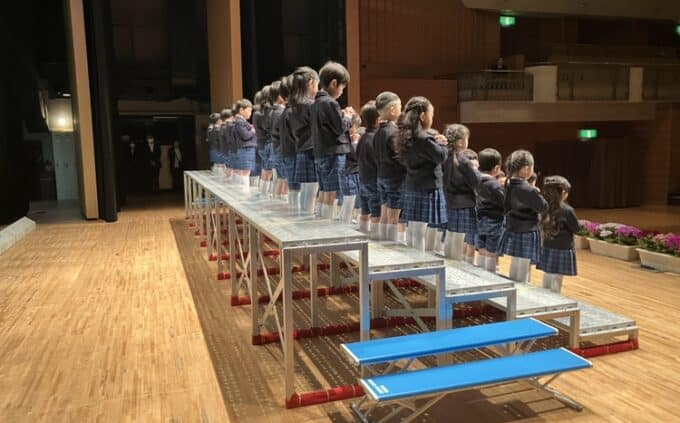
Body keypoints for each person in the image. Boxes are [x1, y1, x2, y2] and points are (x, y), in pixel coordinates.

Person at [396, 97, 449, 251]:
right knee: (420, 231)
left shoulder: (405, 136)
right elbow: (441, 157)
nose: (432, 118)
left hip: (412, 185)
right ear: (423, 116)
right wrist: (442, 144)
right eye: (431, 114)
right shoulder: (424, 139)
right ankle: (418, 262)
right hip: (427, 187)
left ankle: (411, 260)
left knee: (413, 229)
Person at [498, 149, 548, 282]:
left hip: (513, 227)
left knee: (515, 261)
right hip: (528, 230)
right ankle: (522, 290)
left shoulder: (508, 184)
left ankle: (514, 287)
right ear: (526, 169)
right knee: (524, 265)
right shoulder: (528, 189)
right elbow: (543, 207)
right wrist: (537, 193)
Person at [311, 61, 353, 219]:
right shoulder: (330, 103)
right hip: (333, 152)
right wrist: (348, 117)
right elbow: (340, 127)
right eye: (342, 87)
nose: (342, 91)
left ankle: (322, 221)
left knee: (324, 191)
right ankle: (327, 226)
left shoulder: (316, 103)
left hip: (320, 152)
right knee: (332, 193)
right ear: (334, 83)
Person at [442, 124, 480, 261]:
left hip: (447, 201)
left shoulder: (443, 157)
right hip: (463, 204)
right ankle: (455, 266)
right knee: (459, 238)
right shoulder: (464, 161)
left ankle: (447, 263)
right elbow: (476, 181)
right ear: (461, 142)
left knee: (449, 235)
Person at [538, 176, 579, 293]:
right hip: (563, 248)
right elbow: (576, 228)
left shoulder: (544, 207)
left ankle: (543, 296)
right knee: (557, 277)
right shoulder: (568, 210)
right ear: (563, 193)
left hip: (547, 245)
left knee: (547, 273)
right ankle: (554, 300)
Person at [373, 91, 404, 241]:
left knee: (384, 213)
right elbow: (400, 157)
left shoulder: (378, 131)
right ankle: (390, 245)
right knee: (393, 217)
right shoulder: (393, 132)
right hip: (395, 177)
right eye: (400, 107)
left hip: (381, 175)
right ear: (392, 110)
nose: (401, 110)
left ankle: (382, 242)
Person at [288, 66, 320, 213]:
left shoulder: (293, 105)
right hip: (312, 149)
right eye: (317, 85)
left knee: (306, 189)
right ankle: (308, 219)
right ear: (311, 82)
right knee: (312, 190)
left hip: (301, 148)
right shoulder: (310, 105)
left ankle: (303, 216)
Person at [475, 148, 505, 273]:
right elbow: (504, 202)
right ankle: (489, 278)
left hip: (478, 219)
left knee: (481, 249)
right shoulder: (495, 185)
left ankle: (478, 275)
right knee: (492, 252)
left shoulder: (474, 180)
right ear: (496, 168)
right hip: (494, 222)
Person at [356, 101, 381, 234]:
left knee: (364, 212)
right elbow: (377, 161)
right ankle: (376, 239)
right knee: (376, 214)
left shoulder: (363, 137)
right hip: (374, 181)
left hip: (363, 179)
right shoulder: (374, 139)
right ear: (378, 120)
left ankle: (363, 234)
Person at [231, 99, 257, 186]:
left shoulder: (240, 121)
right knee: (245, 173)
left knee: (243, 172)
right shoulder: (239, 122)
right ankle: (244, 191)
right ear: (241, 110)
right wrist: (253, 130)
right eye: (249, 110)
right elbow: (245, 135)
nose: (250, 113)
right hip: (246, 149)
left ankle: (241, 190)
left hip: (245, 149)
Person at [268, 80, 286, 199]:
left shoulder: (272, 111)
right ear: (280, 97)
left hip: (276, 148)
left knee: (280, 179)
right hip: (281, 150)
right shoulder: (280, 112)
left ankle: (277, 202)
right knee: (285, 180)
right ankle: (281, 203)